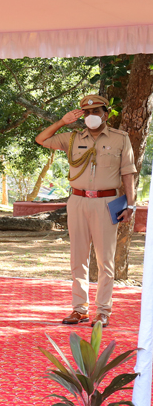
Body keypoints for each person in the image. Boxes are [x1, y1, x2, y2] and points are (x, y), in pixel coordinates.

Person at [35, 95, 136, 328]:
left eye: (96, 112)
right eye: (87, 112)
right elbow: (41, 139)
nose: (92, 116)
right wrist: (62, 122)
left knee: (105, 260)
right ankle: (79, 309)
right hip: (78, 201)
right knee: (78, 258)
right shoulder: (72, 138)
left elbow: (128, 173)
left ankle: (103, 311)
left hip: (106, 202)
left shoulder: (120, 138)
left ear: (105, 114)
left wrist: (131, 205)